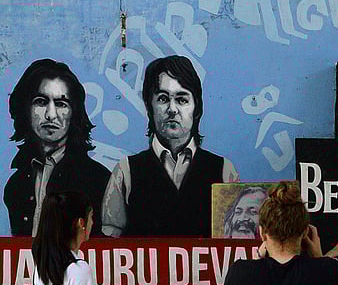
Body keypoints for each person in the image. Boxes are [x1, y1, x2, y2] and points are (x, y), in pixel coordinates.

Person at [102, 55, 240, 237]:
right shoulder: (126, 172)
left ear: (196, 108)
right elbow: (110, 243)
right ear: (148, 106)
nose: (172, 109)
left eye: (182, 99)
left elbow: (234, 242)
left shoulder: (224, 171)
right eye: (162, 99)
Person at [5, 59, 110, 237]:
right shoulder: (16, 185)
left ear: (74, 113)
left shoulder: (98, 180)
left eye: (61, 104)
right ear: (25, 109)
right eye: (41, 101)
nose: (51, 114)